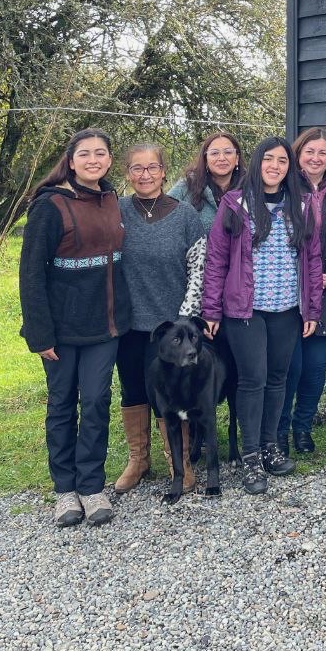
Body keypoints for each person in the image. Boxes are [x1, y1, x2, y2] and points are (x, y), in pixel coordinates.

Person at [19, 128, 133, 527]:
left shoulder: (111, 199)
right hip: (61, 329)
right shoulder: (50, 205)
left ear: (109, 160)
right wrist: (39, 333)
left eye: (100, 153)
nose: (93, 160)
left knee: (97, 401)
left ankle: (91, 486)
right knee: (62, 404)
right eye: (85, 154)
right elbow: (31, 273)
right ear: (71, 161)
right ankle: (65, 489)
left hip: (105, 325)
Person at [201, 137, 322, 495]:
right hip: (245, 310)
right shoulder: (235, 204)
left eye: (282, 161)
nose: (275, 166)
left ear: (290, 167)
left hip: (287, 308)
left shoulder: (302, 205)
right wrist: (211, 309)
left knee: (277, 379)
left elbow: (313, 260)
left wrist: (312, 307)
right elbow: (216, 260)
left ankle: (270, 446)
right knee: (253, 380)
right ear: (257, 163)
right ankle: (250, 455)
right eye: (268, 159)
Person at [115, 142, 206, 494]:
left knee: (169, 394)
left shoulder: (185, 216)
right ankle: (138, 460)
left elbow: (198, 270)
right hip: (127, 322)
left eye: (152, 167)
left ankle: (178, 461)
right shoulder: (117, 211)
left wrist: (185, 321)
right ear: (128, 173)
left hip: (169, 328)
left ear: (164, 171)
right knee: (132, 389)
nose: (145, 174)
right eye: (137, 168)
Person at [277, 127, 326, 455]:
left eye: (323, 153)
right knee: (289, 368)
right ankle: (279, 430)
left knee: (316, 368)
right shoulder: (284, 187)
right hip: (289, 291)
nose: (316, 158)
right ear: (298, 154)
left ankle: (303, 428)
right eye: (310, 151)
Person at [168, 131, 245, 233]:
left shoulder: (249, 189)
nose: (222, 158)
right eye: (214, 153)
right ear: (205, 160)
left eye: (228, 152)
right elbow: (161, 217)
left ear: (237, 158)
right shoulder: (186, 187)